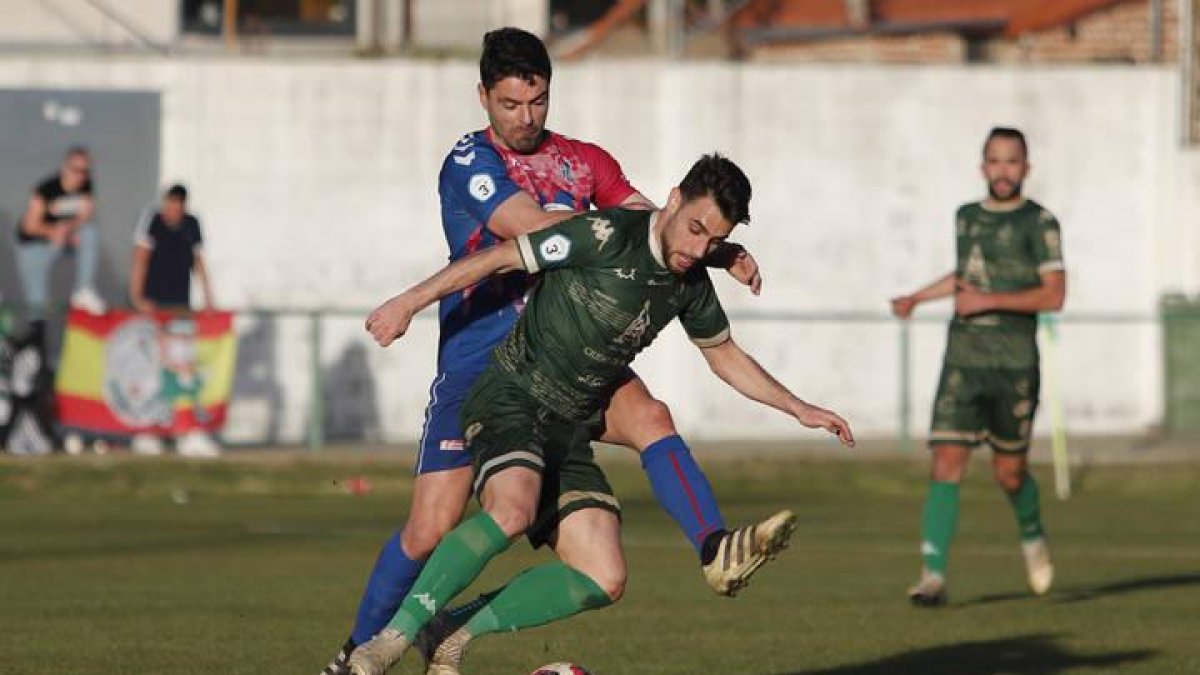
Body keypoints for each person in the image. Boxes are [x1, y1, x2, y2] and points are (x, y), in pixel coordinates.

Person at [320, 28, 778, 675]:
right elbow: (531, 228)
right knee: (432, 525)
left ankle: (713, 545)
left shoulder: (585, 160)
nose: (526, 117)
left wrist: (711, 244)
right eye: (510, 104)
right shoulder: (469, 161)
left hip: (568, 349)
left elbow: (652, 223)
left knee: (650, 414)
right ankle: (357, 652)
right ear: (483, 97)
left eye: (537, 102)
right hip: (485, 356)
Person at [349, 153, 855, 675]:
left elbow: (723, 354)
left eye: (714, 240)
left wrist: (799, 408)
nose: (698, 248)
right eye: (696, 228)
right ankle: (391, 639)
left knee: (603, 575)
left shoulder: (689, 282)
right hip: (512, 395)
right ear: (674, 199)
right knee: (512, 508)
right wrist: (408, 302)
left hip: (570, 423)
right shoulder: (604, 234)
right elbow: (502, 257)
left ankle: (451, 630)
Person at [890, 127, 1066, 606]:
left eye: (1012, 161)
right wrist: (918, 297)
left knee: (1010, 474)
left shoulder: (1040, 222)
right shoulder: (966, 217)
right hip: (963, 359)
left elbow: (1054, 293)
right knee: (946, 462)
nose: (1003, 170)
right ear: (982, 166)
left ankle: (1032, 533)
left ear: (1026, 168)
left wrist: (990, 300)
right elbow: (966, 275)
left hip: (1013, 365)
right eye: (994, 161)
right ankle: (933, 576)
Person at [127, 184, 219, 458]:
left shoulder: (192, 225)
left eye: (179, 204)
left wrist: (209, 298)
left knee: (182, 369)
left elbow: (198, 262)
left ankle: (186, 431)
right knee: (152, 366)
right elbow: (140, 260)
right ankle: (147, 431)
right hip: (154, 307)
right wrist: (137, 296)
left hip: (181, 308)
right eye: (170, 203)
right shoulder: (152, 221)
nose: (174, 209)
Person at [14, 146, 106, 338]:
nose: (80, 176)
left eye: (85, 171)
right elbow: (29, 226)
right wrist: (52, 231)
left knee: (90, 233)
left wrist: (68, 230)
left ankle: (83, 289)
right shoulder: (46, 190)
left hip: (62, 241)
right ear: (65, 168)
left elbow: (85, 217)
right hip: (33, 246)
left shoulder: (86, 186)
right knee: (37, 303)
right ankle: (37, 351)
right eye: (76, 170)